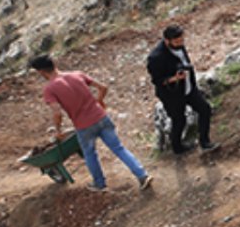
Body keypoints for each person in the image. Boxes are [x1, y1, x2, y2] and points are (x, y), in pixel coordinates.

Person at [29, 55, 152, 192]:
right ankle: (142, 175)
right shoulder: (77, 74)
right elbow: (103, 87)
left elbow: (57, 112)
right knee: (118, 148)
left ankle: (99, 184)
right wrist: (100, 102)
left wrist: (58, 131)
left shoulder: (50, 89)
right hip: (102, 117)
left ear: (40, 71)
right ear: (54, 63)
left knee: (90, 154)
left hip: (84, 126)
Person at [147, 25, 217, 155]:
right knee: (179, 120)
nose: (180, 43)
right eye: (177, 41)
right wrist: (173, 78)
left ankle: (205, 141)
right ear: (167, 40)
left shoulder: (179, 46)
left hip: (189, 88)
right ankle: (177, 148)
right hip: (171, 94)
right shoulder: (156, 57)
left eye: (181, 40)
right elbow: (156, 80)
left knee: (205, 109)